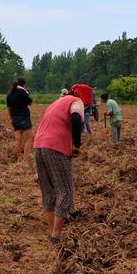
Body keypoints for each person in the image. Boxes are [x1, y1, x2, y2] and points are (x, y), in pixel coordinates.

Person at [33, 87, 85, 244]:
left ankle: (52, 233)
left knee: (48, 190)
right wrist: (76, 144)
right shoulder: (77, 101)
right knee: (66, 192)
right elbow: (76, 118)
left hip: (39, 145)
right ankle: (56, 236)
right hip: (56, 147)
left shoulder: (57, 101)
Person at [6, 78, 34, 165]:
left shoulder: (9, 94)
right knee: (30, 138)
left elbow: (9, 109)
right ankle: (25, 159)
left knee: (18, 140)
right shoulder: (22, 92)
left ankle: (18, 158)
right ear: (24, 84)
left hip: (15, 119)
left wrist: (11, 119)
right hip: (24, 117)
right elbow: (30, 103)